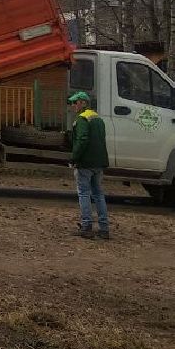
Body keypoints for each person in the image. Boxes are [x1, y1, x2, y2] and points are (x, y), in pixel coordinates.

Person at [68, 90, 111, 239]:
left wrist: (74, 158)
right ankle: (104, 228)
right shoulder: (98, 119)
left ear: (83, 103)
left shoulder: (82, 119)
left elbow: (82, 139)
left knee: (84, 193)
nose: (73, 105)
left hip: (85, 163)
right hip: (99, 163)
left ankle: (86, 226)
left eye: (75, 102)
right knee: (99, 194)